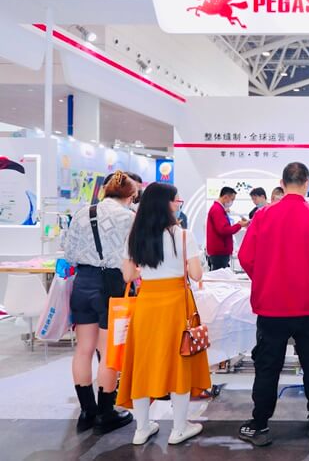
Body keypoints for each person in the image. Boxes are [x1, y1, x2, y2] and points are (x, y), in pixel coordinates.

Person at [237, 162, 309, 447]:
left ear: (282, 183)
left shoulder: (263, 215)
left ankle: (260, 425)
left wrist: (265, 278)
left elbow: (246, 257)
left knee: (267, 366)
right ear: (307, 184)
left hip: (272, 307)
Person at [118, 183, 211, 446]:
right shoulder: (183, 235)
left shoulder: (135, 236)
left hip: (147, 304)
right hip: (177, 305)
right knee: (179, 363)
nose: (178, 205)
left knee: (142, 363)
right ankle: (179, 428)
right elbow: (196, 274)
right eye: (176, 200)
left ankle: (141, 428)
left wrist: (148, 271)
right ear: (166, 204)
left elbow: (128, 275)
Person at [64, 170, 136, 434]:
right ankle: (106, 413)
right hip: (112, 285)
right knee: (109, 352)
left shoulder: (83, 213)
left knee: (83, 349)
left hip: (83, 282)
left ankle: (87, 412)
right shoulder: (129, 218)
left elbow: (69, 253)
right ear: (130, 195)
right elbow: (135, 256)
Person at [206, 186, 248, 270]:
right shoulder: (217, 210)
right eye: (232, 199)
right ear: (225, 197)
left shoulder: (220, 209)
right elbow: (224, 230)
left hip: (221, 251)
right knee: (220, 276)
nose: (232, 202)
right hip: (219, 252)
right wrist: (239, 225)